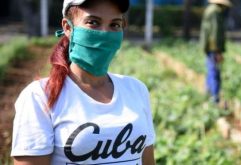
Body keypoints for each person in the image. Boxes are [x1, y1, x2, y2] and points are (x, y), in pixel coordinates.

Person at [11, 0, 156, 164]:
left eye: (115, 25)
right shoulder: (40, 96)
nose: (105, 33)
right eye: (93, 22)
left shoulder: (136, 89)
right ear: (67, 27)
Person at [200, 0, 231, 103]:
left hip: (208, 47)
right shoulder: (216, 12)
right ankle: (214, 99)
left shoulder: (209, 9)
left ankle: (208, 95)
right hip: (213, 48)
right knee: (215, 73)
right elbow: (215, 32)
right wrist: (217, 51)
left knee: (210, 70)